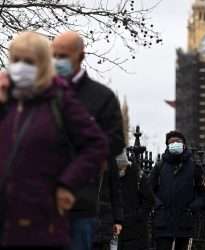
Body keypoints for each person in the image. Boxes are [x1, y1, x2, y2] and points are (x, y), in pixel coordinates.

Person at [0, 32, 108, 249]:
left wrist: (67, 185)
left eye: (29, 62)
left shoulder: (59, 99)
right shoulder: (7, 99)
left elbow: (96, 145)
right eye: (16, 60)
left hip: (42, 221)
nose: (21, 67)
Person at [52, 31, 125, 250]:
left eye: (63, 56)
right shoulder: (40, 93)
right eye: (53, 55)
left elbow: (114, 141)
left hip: (79, 203)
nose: (57, 61)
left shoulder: (101, 97)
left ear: (80, 56)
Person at [149, 131, 205, 250]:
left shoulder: (194, 167)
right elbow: (148, 190)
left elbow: (203, 193)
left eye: (178, 142)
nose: (175, 144)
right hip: (163, 221)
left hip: (184, 221)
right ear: (167, 146)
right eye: (172, 142)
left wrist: (192, 207)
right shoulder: (160, 166)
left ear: (184, 145)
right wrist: (158, 205)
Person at [118, 150, 155, 250]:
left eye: (121, 168)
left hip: (135, 231)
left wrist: (137, 216)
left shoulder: (138, 176)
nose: (120, 171)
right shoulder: (110, 176)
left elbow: (149, 199)